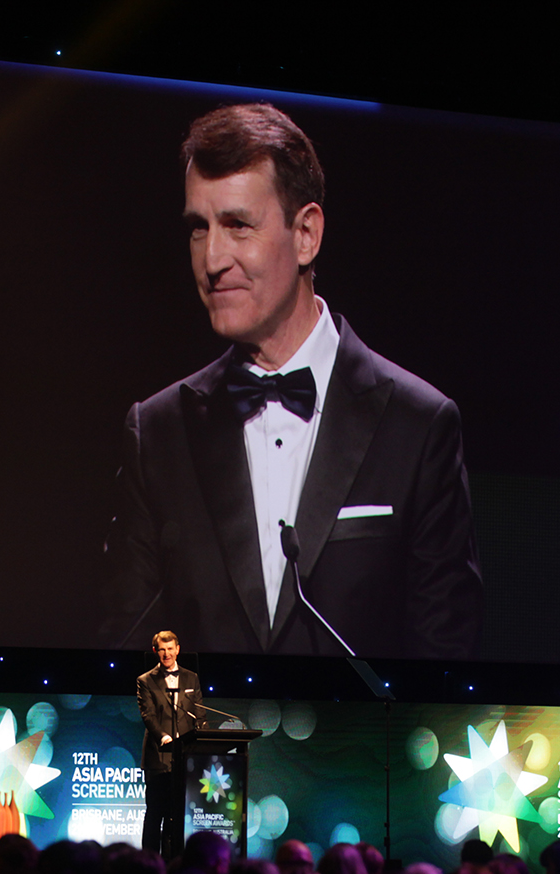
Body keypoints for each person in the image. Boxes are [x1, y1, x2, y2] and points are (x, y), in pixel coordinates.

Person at [101, 102, 482, 660]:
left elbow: (447, 667)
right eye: (198, 229)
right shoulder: (157, 434)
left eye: (237, 226)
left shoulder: (418, 426)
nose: (212, 260)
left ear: (306, 234)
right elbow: (123, 662)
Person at [137, 630, 202, 856]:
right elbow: (148, 715)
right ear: (156, 651)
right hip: (158, 756)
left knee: (177, 813)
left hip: (184, 758)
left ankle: (174, 861)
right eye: (162, 650)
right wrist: (163, 736)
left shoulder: (191, 678)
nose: (167, 654)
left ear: (178, 649)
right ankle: (149, 862)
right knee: (155, 813)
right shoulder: (145, 680)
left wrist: (202, 737)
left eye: (170, 649)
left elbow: (199, 713)